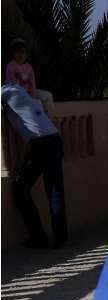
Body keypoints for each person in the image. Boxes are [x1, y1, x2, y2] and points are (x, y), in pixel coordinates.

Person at [1, 83, 67, 248]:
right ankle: (59, 238)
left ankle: (39, 237)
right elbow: (46, 96)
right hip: (52, 138)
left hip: (41, 143)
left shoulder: (5, 93)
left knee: (21, 189)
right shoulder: (18, 90)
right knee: (54, 190)